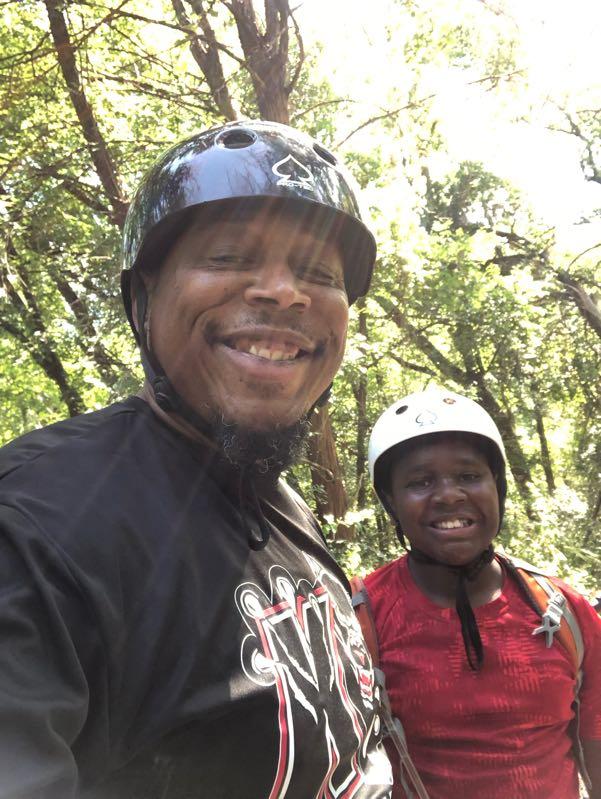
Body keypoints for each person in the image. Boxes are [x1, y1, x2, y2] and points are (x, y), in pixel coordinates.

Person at [0, 121, 393, 798]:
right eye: (230, 256)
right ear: (143, 299)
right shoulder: (36, 526)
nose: (285, 292)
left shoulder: (282, 505)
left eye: (318, 273)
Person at [363, 387, 601, 799]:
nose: (449, 495)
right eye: (420, 482)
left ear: (498, 487)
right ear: (391, 501)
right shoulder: (360, 616)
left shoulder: (565, 612)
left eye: (469, 476)